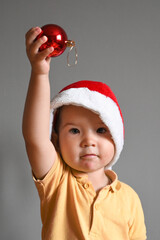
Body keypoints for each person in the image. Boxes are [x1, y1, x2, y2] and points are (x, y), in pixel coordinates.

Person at [23, 27, 147, 240]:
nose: (88, 141)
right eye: (74, 130)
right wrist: (39, 73)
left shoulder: (129, 199)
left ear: (116, 138)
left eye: (101, 130)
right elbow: (35, 138)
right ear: (56, 139)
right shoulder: (57, 181)